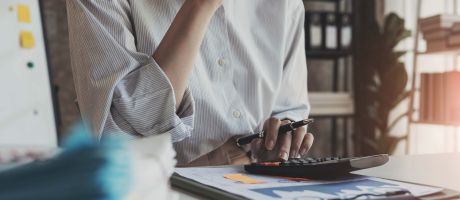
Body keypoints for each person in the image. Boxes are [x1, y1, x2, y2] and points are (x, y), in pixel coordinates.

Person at [66, 0, 313, 166]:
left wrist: (281, 132)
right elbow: (119, 135)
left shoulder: (285, 4)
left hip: (258, 182)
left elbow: (289, 107)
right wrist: (201, 5)